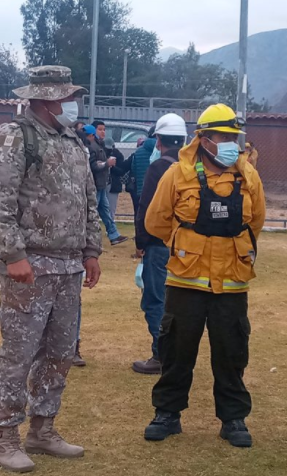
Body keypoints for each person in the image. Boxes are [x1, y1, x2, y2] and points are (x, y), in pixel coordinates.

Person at [0, 65, 103, 473]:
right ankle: (5, 438)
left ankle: (43, 429)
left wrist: (92, 250)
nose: (74, 103)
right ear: (48, 99)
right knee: (18, 353)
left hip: (69, 267)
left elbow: (89, 200)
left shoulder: (73, 142)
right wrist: (13, 255)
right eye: (69, 96)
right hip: (30, 265)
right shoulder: (14, 137)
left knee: (60, 352)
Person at [142, 104, 265, 448]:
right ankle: (167, 414)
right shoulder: (176, 174)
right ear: (204, 139)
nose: (230, 143)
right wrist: (187, 243)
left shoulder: (248, 176)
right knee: (177, 349)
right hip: (186, 280)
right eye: (222, 137)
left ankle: (233, 419)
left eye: (233, 137)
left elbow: (256, 222)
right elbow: (156, 220)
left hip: (232, 282)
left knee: (232, 351)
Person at [132, 113, 187, 375]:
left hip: (157, 244)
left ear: (158, 141)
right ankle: (178, 353)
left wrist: (141, 241)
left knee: (155, 301)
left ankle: (161, 354)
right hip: (187, 247)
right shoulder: (193, 167)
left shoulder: (157, 168)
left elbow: (147, 208)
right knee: (179, 302)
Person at [84, 124, 128, 246]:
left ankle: (114, 235)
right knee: (91, 213)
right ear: (93, 133)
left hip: (101, 184)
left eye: (104, 129)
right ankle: (86, 237)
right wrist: (106, 164)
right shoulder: (92, 147)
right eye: (100, 129)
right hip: (96, 184)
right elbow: (92, 166)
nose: (103, 132)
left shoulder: (99, 145)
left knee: (105, 211)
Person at [130, 126, 157, 213]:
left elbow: (133, 169)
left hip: (141, 189)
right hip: (157, 189)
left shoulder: (139, 151)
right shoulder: (161, 150)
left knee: (140, 214)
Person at [103, 137, 130, 219]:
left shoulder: (118, 155)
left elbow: (121, 171)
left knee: (111, 208)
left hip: (113, 184)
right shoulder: (100, 152)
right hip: (101, 183)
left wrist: (112, 167)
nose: (108, 150)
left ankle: (110, 227)